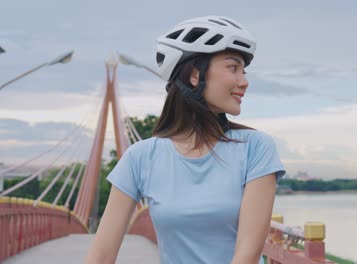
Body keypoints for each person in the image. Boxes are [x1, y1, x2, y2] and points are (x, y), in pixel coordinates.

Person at [85, 15, 285, 264]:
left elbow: (248, 254)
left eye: (244, 71)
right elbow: (100, 256)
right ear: (194, 75)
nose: (244, 82)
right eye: (233, 68)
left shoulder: (255, 148)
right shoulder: (140, 158)